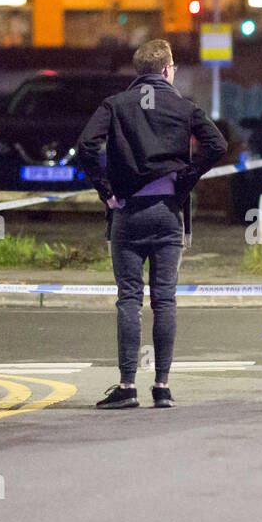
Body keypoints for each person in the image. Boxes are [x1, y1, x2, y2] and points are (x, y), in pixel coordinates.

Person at [77, 39, 227, 409]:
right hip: (167, 214)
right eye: (173, 68)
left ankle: (127, 386)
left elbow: (85, 146)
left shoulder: (116, 105)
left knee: (129, 299)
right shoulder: (183, 106)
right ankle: (161, 386)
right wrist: (187, 178)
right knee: (165, 301)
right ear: (165, 70)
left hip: (127, 215)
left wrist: (106, 191)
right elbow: (218, 144)